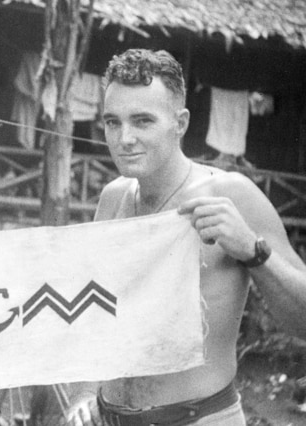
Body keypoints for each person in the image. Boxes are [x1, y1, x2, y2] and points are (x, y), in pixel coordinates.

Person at [65, 49, 306, 426]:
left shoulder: (229, 193)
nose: (124, 138)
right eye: (113, 122)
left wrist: (254, 253)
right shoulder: (113, 198)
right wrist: (82, 395)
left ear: (180, 123)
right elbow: (92, 315)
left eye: (142, 120)